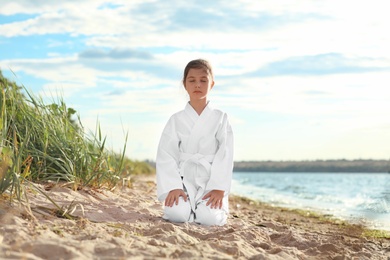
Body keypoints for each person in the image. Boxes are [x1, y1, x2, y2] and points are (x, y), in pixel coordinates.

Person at [156, 59, 234, 226]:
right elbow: (166, 154)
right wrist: (173, 186)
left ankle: (203, 210)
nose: (197, 84)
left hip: (210, 183)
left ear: (211, 84)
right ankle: (188, 208)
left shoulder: (221, 118)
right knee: (177, 214)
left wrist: (219, 189)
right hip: (183, 181)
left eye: (203, 80)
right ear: (185, 84)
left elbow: (225, 155)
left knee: (210, 219)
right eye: (192, 80)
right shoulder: (176, 120)